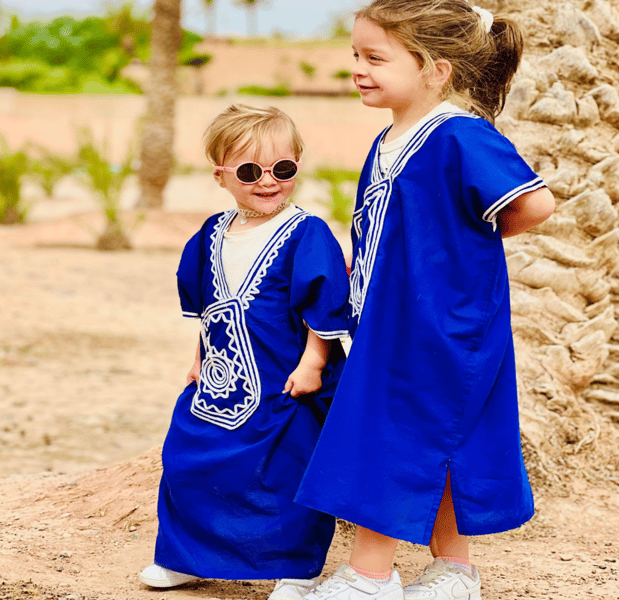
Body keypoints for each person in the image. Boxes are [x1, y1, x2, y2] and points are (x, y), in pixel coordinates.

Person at [294, 1, 557, 599]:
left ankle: (369, 577)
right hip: (394, 321)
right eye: (355, 55)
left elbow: (534, 205)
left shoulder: (458, 133)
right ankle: (455, 572)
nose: (359, 68)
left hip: (441, 323)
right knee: (444, 439)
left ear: (436, 70)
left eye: (376, 58)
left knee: (387, 432)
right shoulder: (392, 139)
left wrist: (464, 246)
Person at [139, 104, 350, 600]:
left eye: (283, 169)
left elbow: (324, 303)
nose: (269, 181)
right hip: (217, 379)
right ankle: (184, 556)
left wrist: (313, 363)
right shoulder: (213, 233)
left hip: (284, 380)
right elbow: (209, 306)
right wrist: (197, 357)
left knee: (284, 470)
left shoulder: (305, 232)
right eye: (251, 171)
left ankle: (295, 568)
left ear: (297, 165)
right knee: (188, 457)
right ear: (221, 176)